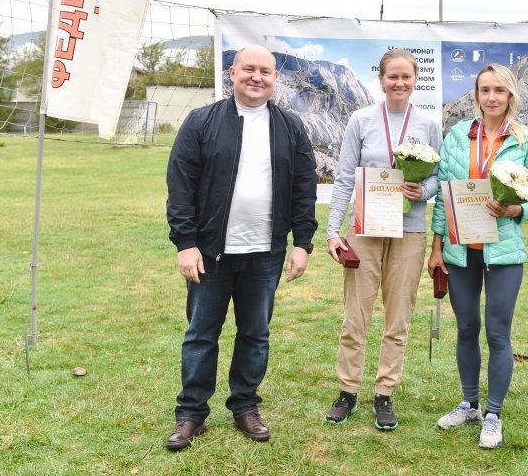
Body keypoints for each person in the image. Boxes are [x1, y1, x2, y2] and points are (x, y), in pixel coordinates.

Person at [164, 45, 318, 450]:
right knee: (201, 334)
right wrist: (186, 244)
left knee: (255, 333)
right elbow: (180, 187)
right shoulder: (201, 121)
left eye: (265, 71)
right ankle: (191, 414)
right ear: (232, 73)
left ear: (275, 78)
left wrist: (302, 243)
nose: (257, 77)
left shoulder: (290, 127)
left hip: (265, 254)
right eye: (248, 69)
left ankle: (245, 406)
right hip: (210, 253)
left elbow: (304, 188)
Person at [428, 63, 528, 449]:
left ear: (510, 95)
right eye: (485, 90)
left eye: (499, 90)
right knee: (466, 328)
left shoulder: (526, 142)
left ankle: (493, 414)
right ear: (476, 95)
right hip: (461, 247)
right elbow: (445, 194)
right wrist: (436, 247)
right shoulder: (457, 136)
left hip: (503, 251)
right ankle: (469, 403)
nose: (492, 97)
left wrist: (515, 210)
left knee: (498, 333)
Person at [324, 49, 442, 430]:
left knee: (398, 315)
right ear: (381, 79)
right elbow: (344, 177)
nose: (400, 83)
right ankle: (347, 391)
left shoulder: (427, 123)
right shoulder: (361, 120)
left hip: (410, 231)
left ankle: (385, 392)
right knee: (355, 313)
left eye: (407, 76)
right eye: (393, 76)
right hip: (366, 229)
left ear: (415, 80)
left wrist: (420, 192)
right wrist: (332, 231)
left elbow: (438, 177)